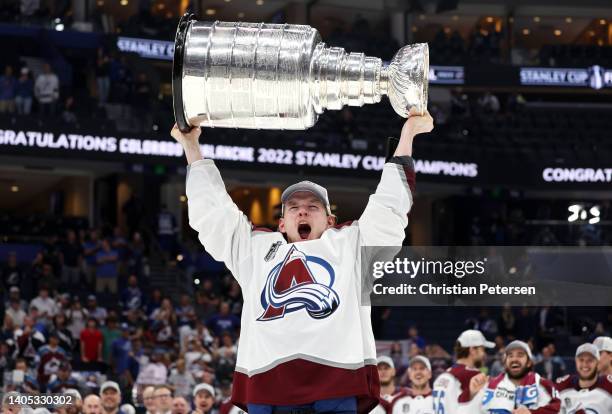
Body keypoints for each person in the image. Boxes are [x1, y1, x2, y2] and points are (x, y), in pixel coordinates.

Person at [171, 109, 433, 413]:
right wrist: (191, 145)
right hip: (267, 385)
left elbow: (389, 207)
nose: (302, 212)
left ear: (330, 219)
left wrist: (408, 134)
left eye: (312, 206)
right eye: (293, 207)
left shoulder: (350, 245)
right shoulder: (257, 249)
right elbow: (213, 214)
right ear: (282, 223)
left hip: (336, 381)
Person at [476, 340, 561, 413]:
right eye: (510, 356)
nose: (514, 359)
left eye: (520, 355)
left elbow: (559, 408)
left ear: (529, 363)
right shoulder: (490, 385)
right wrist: (474, 395)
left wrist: (532, 413)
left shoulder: (543, 384)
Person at [432, 330, 494, 414]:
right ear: (472, 350)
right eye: (483, 349)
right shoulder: (473, 376)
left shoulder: (442, 376)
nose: (484, 354)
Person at [557, 343, 612, 414]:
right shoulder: (563, 386)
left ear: (597, 363)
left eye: (590, 360)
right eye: (581, 360)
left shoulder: (609, 386)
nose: (585, 364)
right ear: (576, 362)